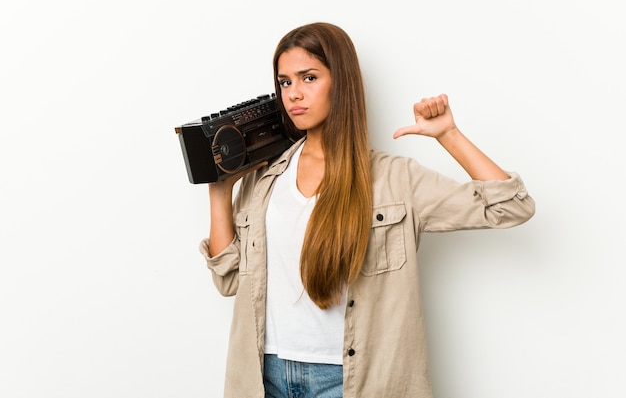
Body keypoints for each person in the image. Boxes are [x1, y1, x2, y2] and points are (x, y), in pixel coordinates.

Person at [199, 22, 535, 398]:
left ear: (340, 82)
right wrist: (219, 192)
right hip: (265, 376)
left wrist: (448, 135)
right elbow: (228, 280)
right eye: (285, 82)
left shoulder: (394, 179)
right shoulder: (263, 180)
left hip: (351, 380)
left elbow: (511, 207)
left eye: (308, 77)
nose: (294, 94)